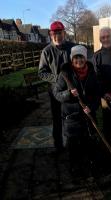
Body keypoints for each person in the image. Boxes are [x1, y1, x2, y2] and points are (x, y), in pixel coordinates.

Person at [53, 45, 100, 174]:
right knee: (73, 145)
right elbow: (56, 94)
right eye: (75, 58)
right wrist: (68, 94)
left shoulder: (92, 73)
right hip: (71, 117)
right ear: (71, 60)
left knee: (89, 142)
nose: (78, 60)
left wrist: (91, 106)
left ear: (85, 58)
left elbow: (97, 95)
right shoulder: (65, 74)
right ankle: (74, 167)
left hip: (88, 116)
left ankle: (91, 164)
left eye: (81, 57)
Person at [39, 21, 75, 152]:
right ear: (50, 34)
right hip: (55, 92)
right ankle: (58, 146)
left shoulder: (72, 47)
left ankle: (73, 143)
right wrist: (57, 80)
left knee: (73, 117)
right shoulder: (46, 51)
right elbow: (42, 72)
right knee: (57, 119)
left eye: (59, 33)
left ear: (64, 33)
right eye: (54, 33)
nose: (57, 36)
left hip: (72, 90)